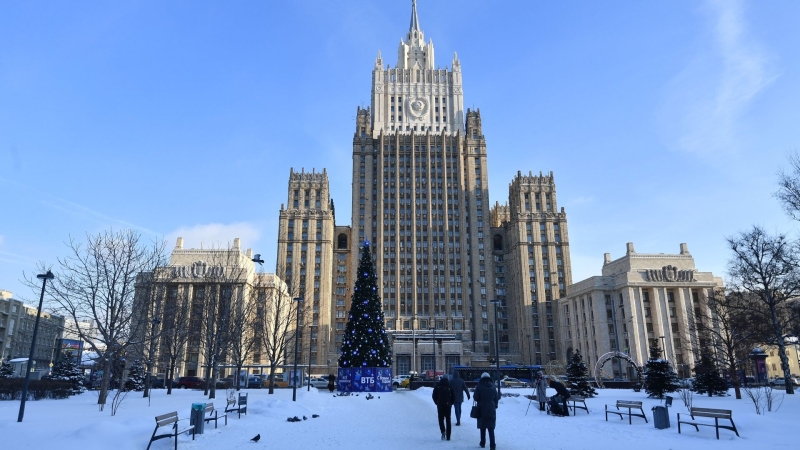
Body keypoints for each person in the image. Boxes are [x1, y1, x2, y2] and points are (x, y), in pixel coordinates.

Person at [473, 372, 498, 450]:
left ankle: (482, 442)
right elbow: (496, 398)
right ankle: (492, 445)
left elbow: (476, 398)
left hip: (481, 408)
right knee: (491, 427)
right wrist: (495, 405)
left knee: (482, 426)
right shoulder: (493, 387)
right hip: (491, 408)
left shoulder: (479, 386)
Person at [432, 376, 456, 440]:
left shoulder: (437, 386)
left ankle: (443, 431)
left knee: (441, 419)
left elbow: (434, 396)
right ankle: (448, 436)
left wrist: (437, 402)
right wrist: (451, 403)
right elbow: (454, 396)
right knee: (448, 420)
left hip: (440, 405)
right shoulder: (450, 386)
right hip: (448, 405)